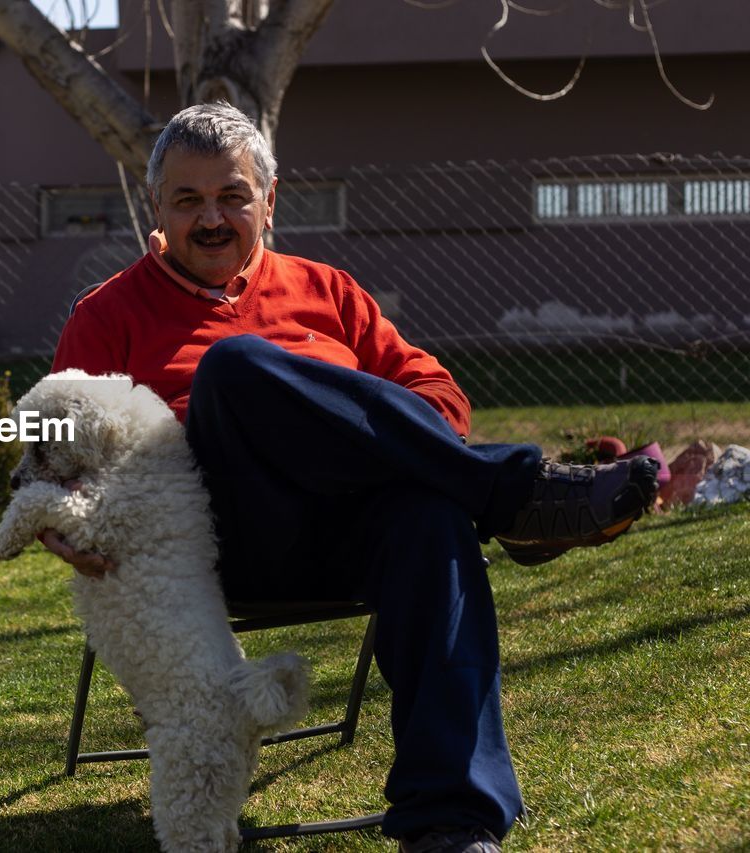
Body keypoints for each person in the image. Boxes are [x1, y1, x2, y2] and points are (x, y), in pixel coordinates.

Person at [39, 102, 658, 852]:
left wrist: (360, 434)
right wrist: (54, 513)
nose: (212, 217)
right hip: (213, 544)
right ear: (156, 209)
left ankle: (451, 820)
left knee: (428, 522)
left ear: (269, 200)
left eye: (232, 196)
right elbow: (44, 439)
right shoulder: (106, 315)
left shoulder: (327, 289)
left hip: (344, 531)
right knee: (234, 371)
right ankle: (511, 495)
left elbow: (439, 396)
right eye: (188, 199)